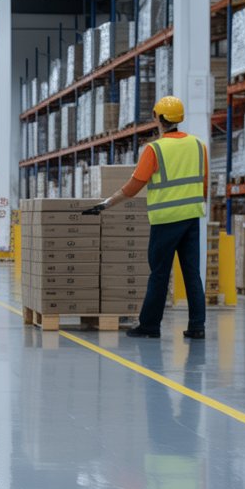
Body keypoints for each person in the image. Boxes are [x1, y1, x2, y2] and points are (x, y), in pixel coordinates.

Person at [85, 96, 207, 339]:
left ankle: (150, 325)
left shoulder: (155, 149)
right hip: (192, 218)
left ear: (158, 118)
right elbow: (203, 187)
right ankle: (197, 327)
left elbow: (132, 187)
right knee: (192, 273)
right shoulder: (198, 146)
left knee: (159, 273)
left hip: (165, 221)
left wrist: (106, 204)